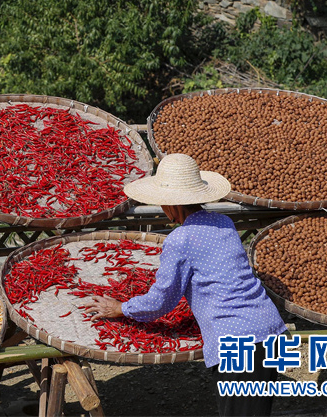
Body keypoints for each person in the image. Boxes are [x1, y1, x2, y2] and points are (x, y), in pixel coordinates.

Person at [80, 153, 286, 417]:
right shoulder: (225, 222)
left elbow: (162, 300)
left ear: (173, 204)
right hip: (270, 329)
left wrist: (122, 308)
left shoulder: (180, 239)